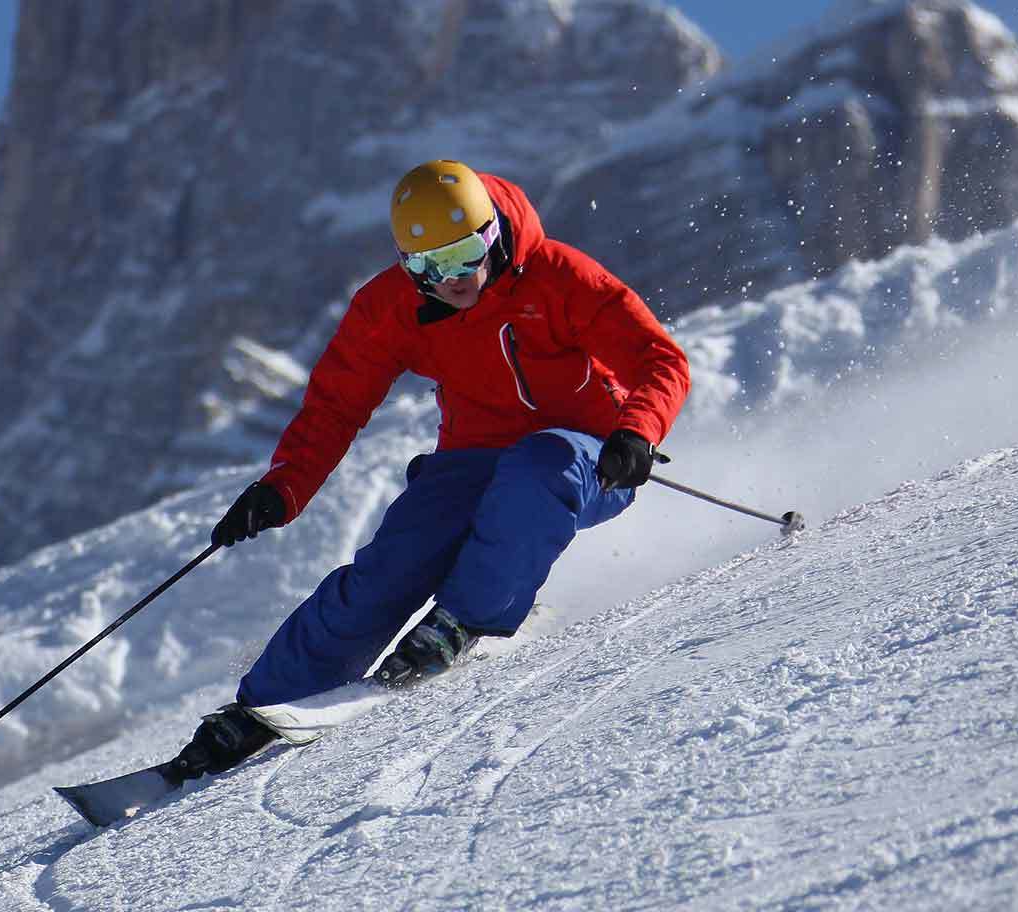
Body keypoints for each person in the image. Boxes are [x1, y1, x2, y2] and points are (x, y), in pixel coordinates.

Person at [162, 160, 692, 784]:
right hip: (471, 456)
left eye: (465, 254)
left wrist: (637, 431)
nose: (451, 280)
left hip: (587, 456)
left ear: (492, 234)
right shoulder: (392, 307)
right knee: (397, 559)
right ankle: (266, 703)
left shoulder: (558, 277)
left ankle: (464, 619)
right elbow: (335, 406)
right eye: (427, 267)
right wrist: (283, 486)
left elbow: (661, 357)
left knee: (532, 473)